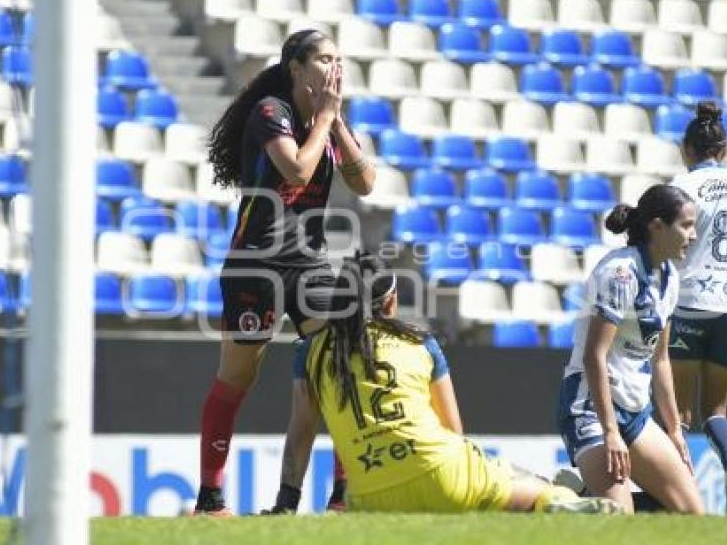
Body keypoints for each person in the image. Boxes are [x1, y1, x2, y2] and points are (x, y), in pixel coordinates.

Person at [274, 252, 622, 514]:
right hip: (442, 475)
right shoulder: (419, 342)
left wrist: (286, 504)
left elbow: (300, 434)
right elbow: (453, 431)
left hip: (367, 495)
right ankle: (559, 500)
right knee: (532, 490)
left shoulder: (313, 353)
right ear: (391, 302)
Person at [194, 29, 376, 515]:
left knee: (343, 365)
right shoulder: (271, 113)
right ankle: (209, 498)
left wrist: (335, 127)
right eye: (323, 59)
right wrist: (323, 122)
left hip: (310, 264)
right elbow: (295, 169)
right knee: (237, 378)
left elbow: (365, 183)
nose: (334, 68)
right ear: (296, 69)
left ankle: (342, 495)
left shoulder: (330, 122)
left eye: (339, 58)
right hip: (256, 263)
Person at [556, 184, 705, 515]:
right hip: (591, 408)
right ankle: (555, 498)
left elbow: (661, 359)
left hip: (635, 413)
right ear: (656, 226)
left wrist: (674, 430)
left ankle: (579, 495)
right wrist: (610, 431)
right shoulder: (620, 274)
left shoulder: (671, 277)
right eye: (686, 225)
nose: (693, 235)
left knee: (694, 515)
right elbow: (595, 356)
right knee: (620, 520)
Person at [668, 101, 727, 515]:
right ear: (724, 150)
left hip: (690, 303)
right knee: (717, 412)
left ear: (686, 149)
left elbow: (666, 251)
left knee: (678, 415)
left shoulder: (680, 187)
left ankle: (677, 497)